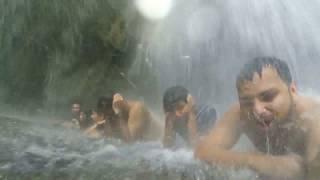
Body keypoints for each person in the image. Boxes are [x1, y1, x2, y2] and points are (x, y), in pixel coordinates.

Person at [194, 57, 320, 179]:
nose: (257, 110)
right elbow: (203, 152)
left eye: (268, 97)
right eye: (247, 102)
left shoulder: (312, 117)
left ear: (292, 90)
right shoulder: (240, 113)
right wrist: (260, 162)